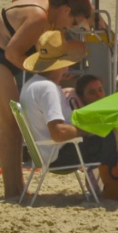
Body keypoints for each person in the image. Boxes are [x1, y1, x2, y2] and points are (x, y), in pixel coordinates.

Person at [0, 0, 92, 199]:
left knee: (14, 128)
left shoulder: (45, 11)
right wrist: (42, 73)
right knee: (9, 126)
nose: (70, 28)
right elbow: (11, 52)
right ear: (65, 10)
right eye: (73, 23)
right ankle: (12, 191)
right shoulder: (39, 16)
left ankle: (18, 188)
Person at [19, 31, 117, 174]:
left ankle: (107, 185)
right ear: (61, 65)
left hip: (45, 155)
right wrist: (92, 128)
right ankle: (112, 187)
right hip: (60, 157)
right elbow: (58, 133)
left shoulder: (31, 84)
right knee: (110, 134)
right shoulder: (48, 88)